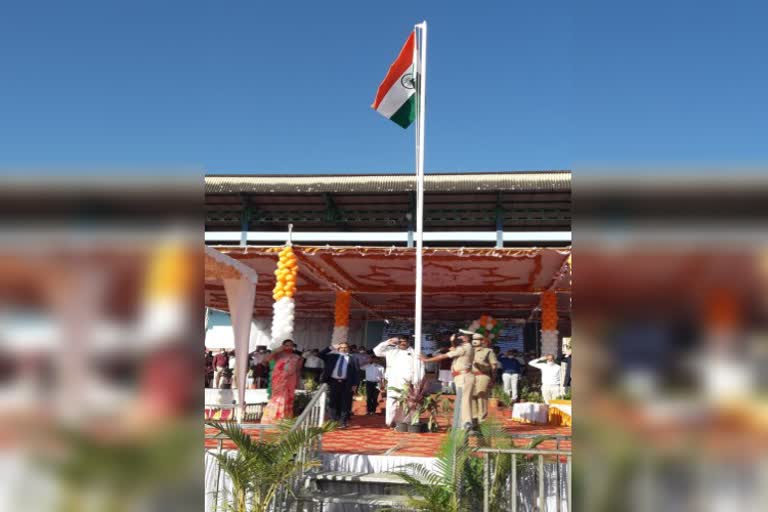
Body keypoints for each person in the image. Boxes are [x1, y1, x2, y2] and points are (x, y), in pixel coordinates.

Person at [420, 331, 475, 430]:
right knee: (462, 400)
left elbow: (444, 356)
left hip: (464, 376)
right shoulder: (465, 347)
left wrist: (426, 360)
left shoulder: (464, 348)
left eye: (460, 337)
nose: (458, 339)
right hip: (462, 376)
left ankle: (467, 423)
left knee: (464, 401)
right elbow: (453, 349)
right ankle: (463, 422)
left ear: (465, 338)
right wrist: (452, 341)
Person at [374, 335, 422, 427]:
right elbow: (377, 352)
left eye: (405, 341)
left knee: (407, 403)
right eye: (400, 341)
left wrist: (416, 381)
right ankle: (389, 422)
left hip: (408, 382)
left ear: (408, 342)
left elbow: (420, 368)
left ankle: (404, 422)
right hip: (393, 381)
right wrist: (387, 342)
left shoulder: (415, 353)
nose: (403, 343)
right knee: (392, 402)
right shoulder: (391, 351)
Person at [260, 340, 304, 424]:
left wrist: (298, 381)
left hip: (291, 380)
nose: (289, 347)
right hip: (279, 380)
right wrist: (276, 350)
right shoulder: (278, 355)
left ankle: (285, 419)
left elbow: (298, 370)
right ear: (282, 346)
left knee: (288, 399)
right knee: (278, 398)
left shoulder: (297, 357)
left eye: (291, 345)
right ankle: (273, 419)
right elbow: (265, 360)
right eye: (286, 345)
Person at [320, 341, 360, 428]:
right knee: (333, 402)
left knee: (345, 403)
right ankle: (333, 421)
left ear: (348, 349)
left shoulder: (353, 358)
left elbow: (356, 372)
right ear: (338, 349)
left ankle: (343, 422)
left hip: (347, 383)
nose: (343, 349)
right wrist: (331, 347)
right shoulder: (332, 356)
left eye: (345, 347)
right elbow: (320, 354)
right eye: (341, 347)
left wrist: (355, 385)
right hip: (334, 382)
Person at [471, 335, 499, 425]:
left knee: (481, 396)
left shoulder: (488, 351)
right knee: (471, 396)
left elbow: (494, 366)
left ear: (482, 341)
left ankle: (482, 419)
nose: (475, 341)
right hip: (470, 376)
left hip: (483, 375)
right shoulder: (469, 351)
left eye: (477, 340)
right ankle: (474, 419)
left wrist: (493, 378)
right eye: (473, 339)